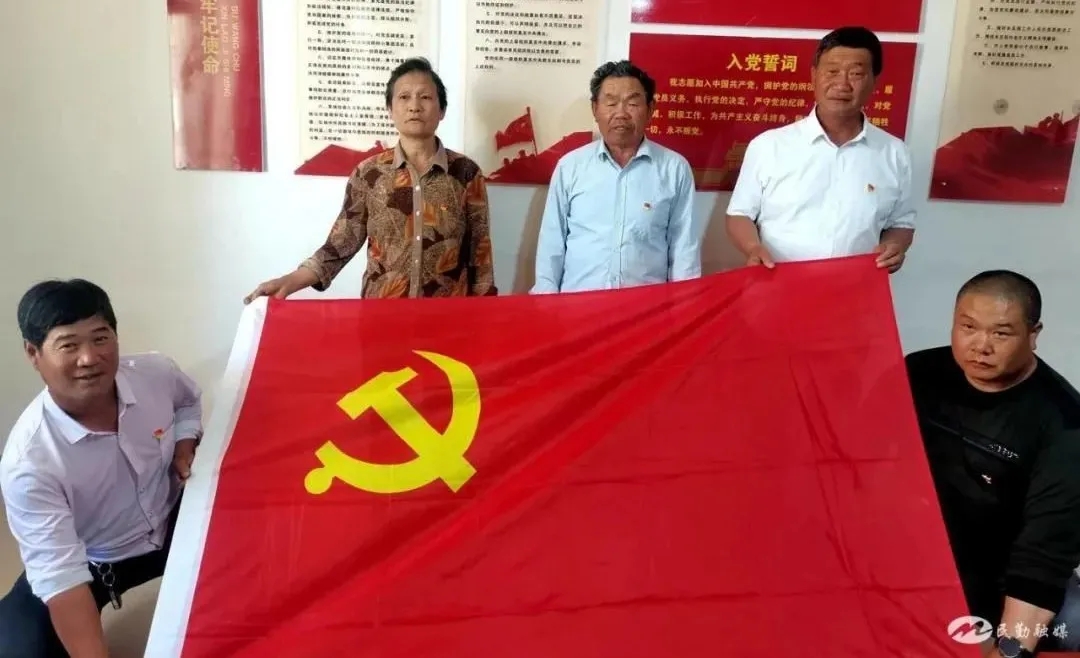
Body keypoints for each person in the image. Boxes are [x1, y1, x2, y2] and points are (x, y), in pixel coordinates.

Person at [0, 279, 203, 658]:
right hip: (97, 558)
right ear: (33, 353)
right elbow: (62, 577)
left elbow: (188, 403)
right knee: (18, 646)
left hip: (176, 520)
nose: (89, 358)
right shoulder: (28, 463)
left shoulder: (155, 373)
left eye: (100, 338)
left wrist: (184, 444)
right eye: (68, 345)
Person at [904, 270, 1080, 657]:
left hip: (1006, 572)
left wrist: (1011, 650)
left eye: (1001, 333)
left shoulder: (1065, 425)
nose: (980, 346)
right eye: (968, 327)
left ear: (1033, 334)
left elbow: (1043, 554)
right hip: (919, 560)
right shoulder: (917, 374)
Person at [245, 57, 496, 301]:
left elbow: (480, 253)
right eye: (404, 97)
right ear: (390, 110)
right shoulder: (369, 174)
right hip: (380, 316)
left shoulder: (466, 173)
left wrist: (486, 315)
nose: (414, 106)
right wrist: (291, 281)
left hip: (447, 317)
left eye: (426, 97)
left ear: (442, 110)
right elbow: (341, 243)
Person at [725, 26, 915, 273]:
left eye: (856, 74)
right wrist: (753, 247)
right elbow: (739, 214)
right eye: (832, 71)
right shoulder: (769, 146)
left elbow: (901, 222)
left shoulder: (895, 153)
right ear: (814, 75)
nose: (842, 84)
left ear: (874, 81)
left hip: (856, 286)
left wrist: (894, 247)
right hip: (778, 282)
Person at [531, 60, 702, 294]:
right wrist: (546, 301)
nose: (621, 114)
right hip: (578, 305)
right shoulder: (570, 167)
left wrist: (684, 305)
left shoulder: (674, 169)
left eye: (632, 103)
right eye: (610, 103)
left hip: (645, 307)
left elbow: (684, 251)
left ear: (650, 109)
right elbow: (551, 244)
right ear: (595, 109)